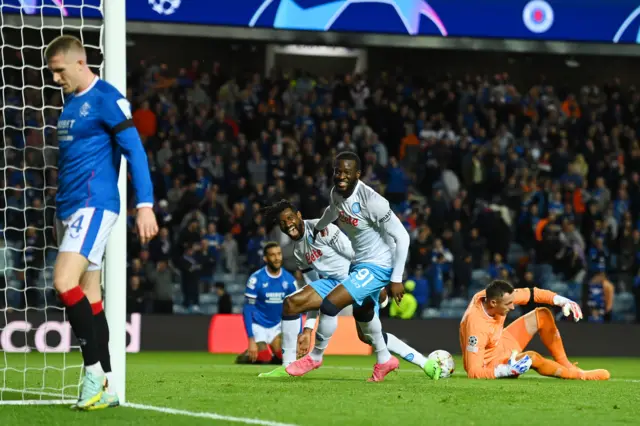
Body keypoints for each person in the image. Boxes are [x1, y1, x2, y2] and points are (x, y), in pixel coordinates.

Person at [45, 35, 158, 410]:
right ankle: (106, 384)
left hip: (95, 204)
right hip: (69, 207)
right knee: (91, 297)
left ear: (80, 63)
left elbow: (135, 151)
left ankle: (92, 371)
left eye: (59, 71)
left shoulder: (106, 97)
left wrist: (144, 204)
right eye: (52, 73)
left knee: (63, 281)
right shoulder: (71, 104)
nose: (55, 78)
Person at [257, 200, 440, 380]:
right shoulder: (299, 251)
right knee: (291, 303)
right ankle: (287, 366)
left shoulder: (323, 230)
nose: (288, 224)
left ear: (299, 216)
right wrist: (307, 329)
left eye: (290, 218)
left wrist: (376, 284)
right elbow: (313, 292)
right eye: (282, 222)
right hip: (332, 283)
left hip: (357, 279)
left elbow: (355, 254)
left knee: (368, 337)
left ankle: (425, 363)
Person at [289, 151, 411, 382]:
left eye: (347, 172)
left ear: (358, 174)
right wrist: (318, 227)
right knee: (363, 312)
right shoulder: (337, 192)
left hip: (379, 265)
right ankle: (385, 360)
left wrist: (396, 278)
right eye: (338, 171)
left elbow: (402, 237)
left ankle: (315, 357)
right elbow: (332, 211)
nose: (341, 176)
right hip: (360, 263)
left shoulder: (372, 201)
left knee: (330, 304)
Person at [460, 280, 610, 380]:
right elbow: (473, 372)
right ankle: (578, 375)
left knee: (543, 315)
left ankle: (566, 364)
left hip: (498, 343)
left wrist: (561, 300)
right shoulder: (476, 326)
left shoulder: (495, 297)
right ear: (493, 303)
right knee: (531, 357)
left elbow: (532, 293)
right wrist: (506, 369)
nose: (513, 307)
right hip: (490, 362)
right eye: (509, 304)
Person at [237, 242, 297, 365]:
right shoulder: (256, 279)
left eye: (279, 254)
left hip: (276, 326)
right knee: (264, 358)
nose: (277, 258)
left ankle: (275, 358)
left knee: (285, 356)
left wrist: (299, 334)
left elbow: (295, 309)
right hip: (258, 326)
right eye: (273, 255)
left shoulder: (289, 280)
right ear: (265, 258)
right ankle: (244, 356)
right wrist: (251, 339)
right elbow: (248, 309)